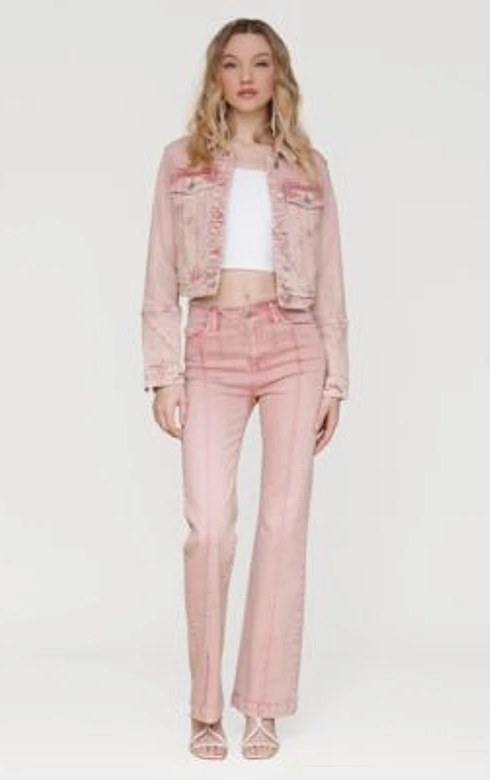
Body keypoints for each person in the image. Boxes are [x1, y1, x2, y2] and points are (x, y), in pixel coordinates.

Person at [140, 17, 350, 760]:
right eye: (232, 65)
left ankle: (262, 706)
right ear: (216, 78)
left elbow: (331, 281)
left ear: (278, 76)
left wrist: (336, 379)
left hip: (294, 347)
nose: (247, 77)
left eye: (261, 64)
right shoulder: (181, 162)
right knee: (210, 530)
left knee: (283, 527)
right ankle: (205, 706)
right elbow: (158, 275)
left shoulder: (310, 168)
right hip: (212, 346)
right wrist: (162, 373)